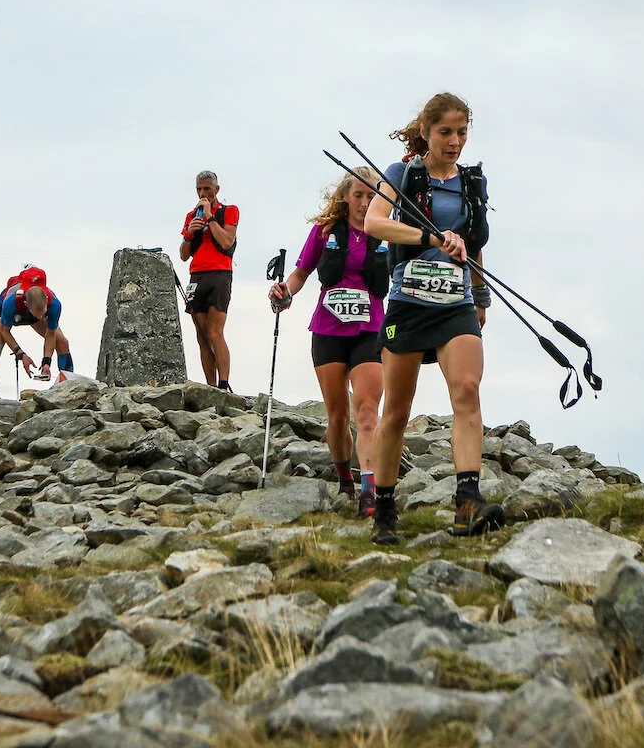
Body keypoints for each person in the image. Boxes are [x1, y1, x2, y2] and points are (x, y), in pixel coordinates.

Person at [363, 92, 503, 544]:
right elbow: (374, 223)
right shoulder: (401, 174)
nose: (455, 141)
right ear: (425, 131)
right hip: (408, 301)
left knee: (467, 389)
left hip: (456, 303)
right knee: (397, 412)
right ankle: (384, 508)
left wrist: (479, 291)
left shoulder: (472, 182)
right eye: (446, 132)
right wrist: (429, 235)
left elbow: (474, 241)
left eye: (462, 132)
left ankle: (468, 501)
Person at [268, 168, 386, 518]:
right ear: (345, 198)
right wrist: (284, 292)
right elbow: (301, 273)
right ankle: (344, 481)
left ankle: (369, 490)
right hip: (328, 332)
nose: (365, 204)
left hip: (370, 330)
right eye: (359, 196)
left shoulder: (387, 235)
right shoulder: (324, 233)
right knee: (337, 416)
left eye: (372, 197)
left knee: (367, 412)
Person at [178, 170, 239, 391]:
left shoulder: (229, 211)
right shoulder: (191, 216)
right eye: (198, 189)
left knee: (215, 332)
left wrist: (210, 217)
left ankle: (224, 383)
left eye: (206, 189)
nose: (202, 193)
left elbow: (226, 242)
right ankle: (210, 386)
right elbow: (184, 255)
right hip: (197, 275)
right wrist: (189, 234)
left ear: (216, 189)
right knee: (202, 336)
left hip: (220, 274)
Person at [0, 267, 73, 387]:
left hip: (32, 313)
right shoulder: (10, 303)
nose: (41, 317)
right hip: (13, 312)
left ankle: (68, 388)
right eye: (38, 314)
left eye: (43, 314)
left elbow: (50, 334)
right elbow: (5, 332)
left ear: (46, 302)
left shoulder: (55, 305)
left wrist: (47, 362)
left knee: (62, 342)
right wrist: (21, 355)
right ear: (26, 304)